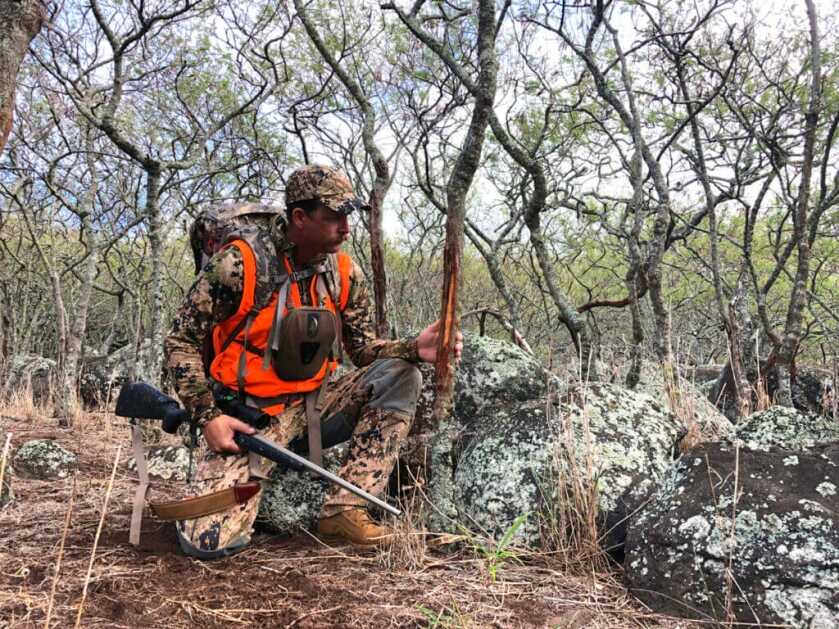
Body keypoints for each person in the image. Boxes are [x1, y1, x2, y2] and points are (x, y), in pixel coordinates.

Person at [164, 164, 462, 558]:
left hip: (315, 407)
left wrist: (412, 349)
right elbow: (180, 340)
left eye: (347, 216)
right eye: (333, 217)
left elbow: (361, 350)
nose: (346, 228)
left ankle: (344, 510)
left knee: (401, 375)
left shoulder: (342, 271)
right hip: (249, 421)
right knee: (208, 543)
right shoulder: (238, 265)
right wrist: (208, 416)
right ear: (300, 218)